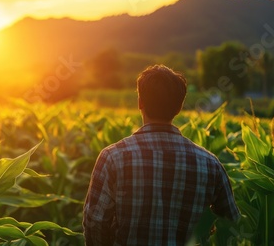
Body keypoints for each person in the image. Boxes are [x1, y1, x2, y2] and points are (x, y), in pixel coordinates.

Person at [83, 64, 240, 245]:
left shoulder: (113, 157)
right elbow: (231, 224)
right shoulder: (210, 164)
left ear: (140, 102)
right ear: (179, 107)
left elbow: (95, 222)